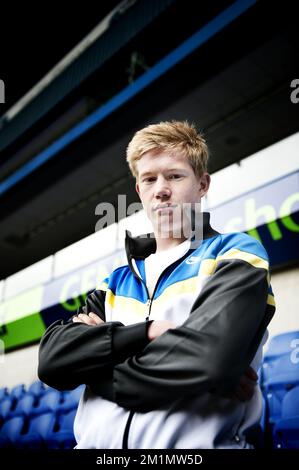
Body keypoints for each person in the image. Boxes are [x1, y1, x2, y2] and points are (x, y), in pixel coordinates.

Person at [38, 120, 275, 449]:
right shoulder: (116, 281)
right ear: (139, 191)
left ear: (202, 184)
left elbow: (209, 361)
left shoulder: (236, 254)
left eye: (175, 176)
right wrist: (147, 332)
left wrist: (93, 369)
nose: (160, 189)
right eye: (149, 179)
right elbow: (52, 361)